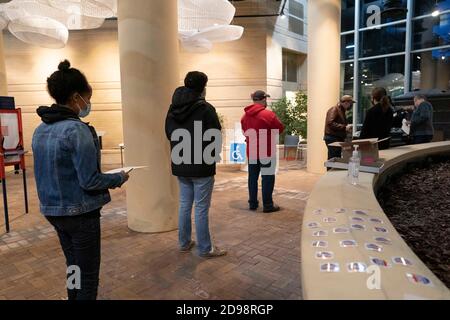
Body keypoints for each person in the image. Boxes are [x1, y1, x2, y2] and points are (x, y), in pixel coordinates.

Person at [32, 60, 129, 300]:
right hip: (80, 214)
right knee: (87, 276)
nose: (88, 104)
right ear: (76, 98)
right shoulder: (76, 130)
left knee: (73, 265)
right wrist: (119, 177)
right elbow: (90, 181)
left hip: (54, 211)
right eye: (88, 97)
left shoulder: (40, 129)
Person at [165, 71, 226, 258]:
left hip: (181, 162)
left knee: (184, 204)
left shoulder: (172, 109)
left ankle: (184, 243)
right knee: (200, 207)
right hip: (201, 166)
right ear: (202, 87)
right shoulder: (205, 109)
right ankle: (205, 248)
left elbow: (169, 134)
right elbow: (215, 135)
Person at [241, 90, 284, 213]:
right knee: (267, 178)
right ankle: (268, 205)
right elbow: (280, 128)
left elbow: (245, 131)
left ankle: (253, 203)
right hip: (267, 151)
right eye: (266, 99)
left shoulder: (245, 116)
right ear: (263, 99)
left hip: (252, 151)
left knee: (252, 178)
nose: (266, 101)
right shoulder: (268, 115)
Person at [324, 95, 354, 159]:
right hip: (333, 138)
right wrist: (344, 127)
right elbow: (330, 123)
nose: (351, 106)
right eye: (351, 103)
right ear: (346, 103)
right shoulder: (335, 109)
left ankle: (332, 169)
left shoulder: (341, 110)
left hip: (335, 138)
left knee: (335, 158)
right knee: (334, 158)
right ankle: (331, 169)